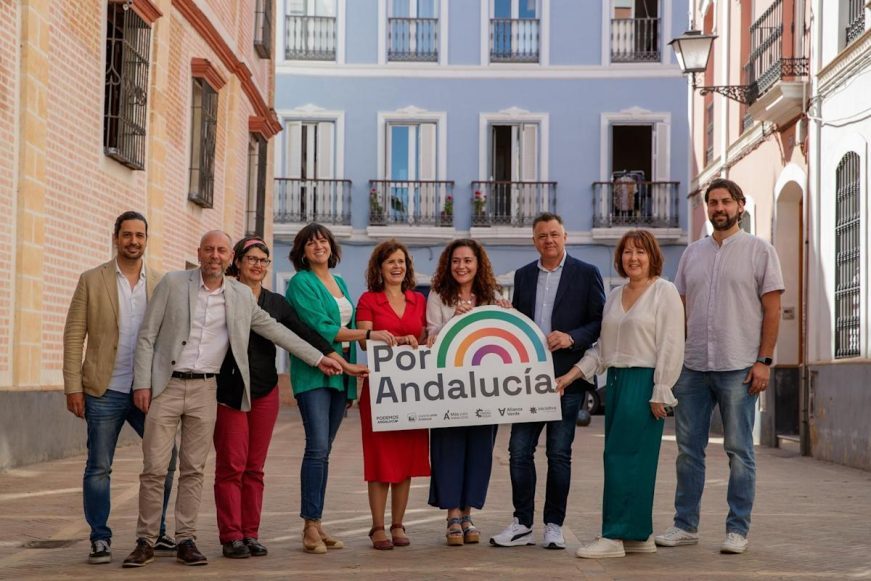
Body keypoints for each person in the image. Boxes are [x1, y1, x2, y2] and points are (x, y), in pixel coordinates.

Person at [122, 231, 342, 568]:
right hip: (166, 386)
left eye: (220, 250)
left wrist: (319, 358)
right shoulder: (173, 283)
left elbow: (277, 330)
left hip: (206, 389)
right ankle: (145, 540)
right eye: (209, 249)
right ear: (200, 253)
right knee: (154, 469)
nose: (215, 255)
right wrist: (142, 383)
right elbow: (148, 335)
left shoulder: (239, 295)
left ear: (228, 258)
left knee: (194, 469)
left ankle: (186, 539)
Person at [213, 236, 367, 559]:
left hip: (266, 390)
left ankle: (250, 533)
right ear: (237, 263)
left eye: (263, 260)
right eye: (251, 258)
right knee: (232, 466)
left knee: (254, 467)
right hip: (230, 390)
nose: (257, 265)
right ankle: (231, 535)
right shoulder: (222, 296)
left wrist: (338, 361)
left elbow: (302, 334)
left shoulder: (276, 303)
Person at [655, 178, 784, 555]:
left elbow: (773, 310)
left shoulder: (761, 251)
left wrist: (764, 361)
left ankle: (737, 529)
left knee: (739, 451)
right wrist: (672, 362)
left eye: (726, 201)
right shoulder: (692, 254)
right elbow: (677, 308)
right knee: (687, 452)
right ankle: (685, 525)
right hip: (692, 366)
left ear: (740, 205)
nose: (718, 208)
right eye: (712, 202)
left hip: (739, 365)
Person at [556, 230, 684, 558]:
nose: (633, 258)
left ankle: (613, 535)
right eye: (627, 252)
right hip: (614, 382)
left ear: (652, 256)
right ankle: (639, 536)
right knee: (627, 460)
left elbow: (671, 343)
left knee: (625, 461)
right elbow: (602, 350)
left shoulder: (664, 292)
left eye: (640, 252)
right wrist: (570, 376)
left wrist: (661, 390)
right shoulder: (614, 296)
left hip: (644, 384)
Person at [62, 211, 176, 565]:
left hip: (148, 391)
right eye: (127, 235)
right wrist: (73, 387)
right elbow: (73, 336)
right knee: (99, 465)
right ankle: (99, 537)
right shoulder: (91, 280)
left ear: (146, 239)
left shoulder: (162, 283)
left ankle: (155, 531)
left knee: (165, 461)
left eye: (140, 235)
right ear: (116, 238)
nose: (133, 241)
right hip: (103, 389)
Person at [491, 212, 605, 550]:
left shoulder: (587, 274)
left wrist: (572, 337)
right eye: (542, 236)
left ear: (565, 236)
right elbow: (521, 326)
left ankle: (554, 524)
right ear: (534, 240)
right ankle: (522, 523)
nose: (549, 240)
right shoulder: (524, 276)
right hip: (528, 380)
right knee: (518, 451)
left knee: (559, 454)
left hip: (567, 379)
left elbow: (600, 321)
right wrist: (507, 314)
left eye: (554, 234)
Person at [285, 223, 397, 555]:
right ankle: (308, 526)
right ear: (302, 251)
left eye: (323, 241)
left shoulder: (341, 282)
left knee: (325, 451)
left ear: (332, 248)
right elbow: (322, 328)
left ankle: (317, 523)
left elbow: (344, 325)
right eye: (311, 242)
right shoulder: (300, 283)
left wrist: (350, 380)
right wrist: (367, 336)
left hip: (341, 377)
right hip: (314, 375)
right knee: (317, 448)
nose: (318, 246)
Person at [426, 239, 505, 546]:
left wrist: (506, 313)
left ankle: (468, 514)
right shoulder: (438, 295)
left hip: (485, 391)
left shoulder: (491, 295)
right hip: (448, 387)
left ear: (478, 264)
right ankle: (452, 516)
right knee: (448, 449)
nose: (462, 266)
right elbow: (430, 335)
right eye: (456, 261)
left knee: (478, 452)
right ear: (449, 264)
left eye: (468, 261)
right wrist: (454, 321)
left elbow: (500, 335)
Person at [356, 240, 430, 550]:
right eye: (390, 262)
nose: (397, 266)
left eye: (401, 261)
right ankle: (377, 527)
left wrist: (419, 340)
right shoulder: (368, 300)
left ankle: (398, 524)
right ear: (380, 268)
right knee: (380, 461)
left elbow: (426, 338)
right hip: (379, 392)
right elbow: (363, 341)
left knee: (406, 462)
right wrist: (394, 340)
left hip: (412, 391)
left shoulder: (418, 300)